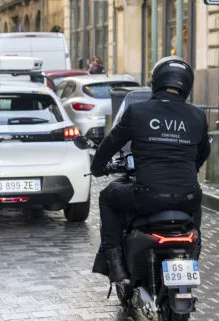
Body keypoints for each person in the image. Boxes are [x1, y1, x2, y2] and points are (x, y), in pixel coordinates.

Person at [90, 56, 211, 282]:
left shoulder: (138, 112)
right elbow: (204, 152)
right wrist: (191, 169)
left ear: (156, 82)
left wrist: (97, 167)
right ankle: (194, 248)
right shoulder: (197, 116)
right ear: (186, 84)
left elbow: (110, 144)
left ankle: (115, 263)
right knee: (195, 206)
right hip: (188, 197)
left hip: (148, 197)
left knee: (108, 196)